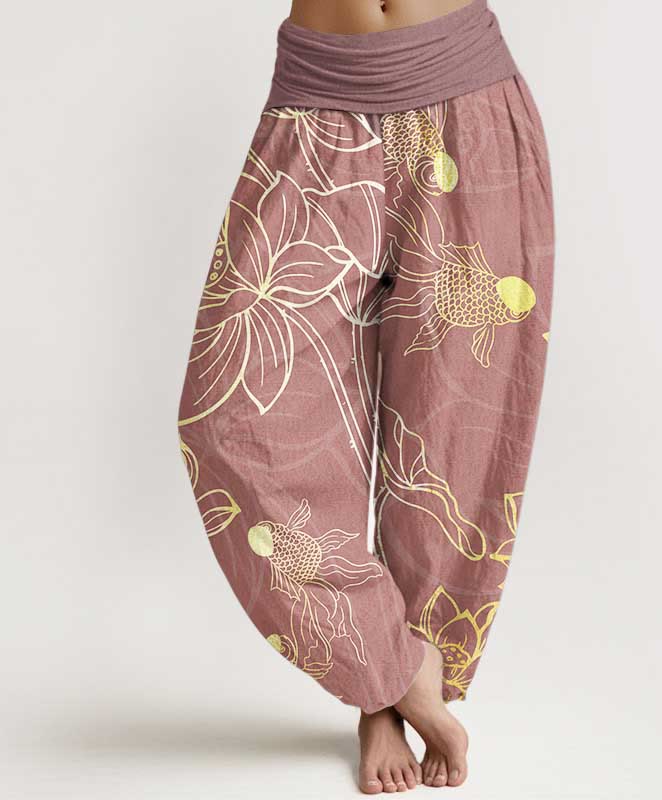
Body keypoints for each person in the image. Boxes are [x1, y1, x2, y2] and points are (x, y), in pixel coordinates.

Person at [177, 0, 554, 793]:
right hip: (315, 109)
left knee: (449, 440)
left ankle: (387, 697)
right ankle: (391, 666)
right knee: (231, 417)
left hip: (467, 99)